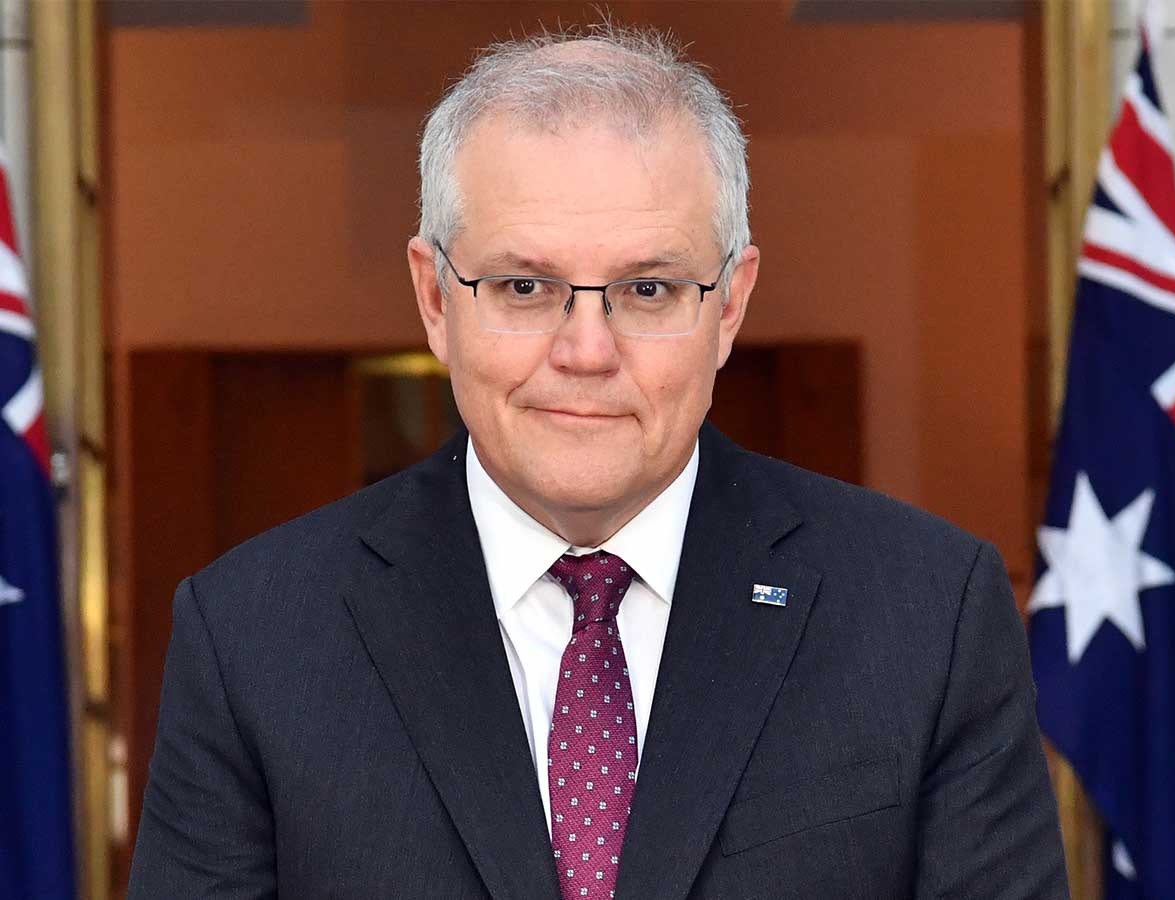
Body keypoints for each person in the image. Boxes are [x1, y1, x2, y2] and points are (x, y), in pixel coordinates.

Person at [129, 25, 1068, 899]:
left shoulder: (926, 612)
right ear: (432, 296)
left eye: (649, 288)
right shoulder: (252, 635)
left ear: (730, 304)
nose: (586, 351)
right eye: (524, 286)